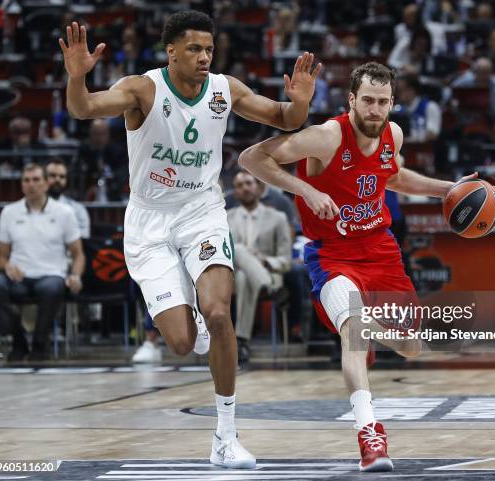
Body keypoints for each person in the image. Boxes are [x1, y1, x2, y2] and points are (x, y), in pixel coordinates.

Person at [59, 11, 320, 468]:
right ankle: (189, 316)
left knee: (220, 312)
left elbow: (283, 118)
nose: (204, 58)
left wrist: (299, 103)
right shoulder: (143, 88)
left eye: (210, 50)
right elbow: (83, 109)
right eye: (195, 49)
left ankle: (225, 436)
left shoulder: (224, 89)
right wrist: (77, 79)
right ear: (171, 51)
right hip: (150, 223)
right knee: (181, 343)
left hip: (202, 211)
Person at [239, 62, 495, 472]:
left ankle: (368, 337)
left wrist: (449, 188)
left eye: (383, 102)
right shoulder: (326, 137)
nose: (376, 110)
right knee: (353, 333)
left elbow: (391, 177)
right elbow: (252, 158)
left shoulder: (391, 135)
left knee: (412, 348)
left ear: (392, 103)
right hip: (332, 255)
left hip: (381, 252)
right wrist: (305, 189)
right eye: (368, 101)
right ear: (352, 101)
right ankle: (370, 435)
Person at [0, 163, 84, 361]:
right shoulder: (9, 212)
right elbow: (1, 257)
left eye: (36, 180)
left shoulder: (64, 212)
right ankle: (18, 339)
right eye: (26, 180)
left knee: (52, 288)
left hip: (51, 275)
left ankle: (40, 344)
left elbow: (78, 254)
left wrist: (75, 275)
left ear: (46, 184)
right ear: (21, 185)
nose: (31, 185)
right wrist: (7, 266)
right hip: (19, 277)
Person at [227, 171, 292, 362]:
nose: (245, 188)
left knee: (245, 276)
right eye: (239, 185)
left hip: (270, 271)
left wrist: (262, 262)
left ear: (259, 188)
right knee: (237, 250)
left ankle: (242, 341)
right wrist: (247, 258)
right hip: (233, 275)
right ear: (235, 193)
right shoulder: (225, 218)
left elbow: (285, 259)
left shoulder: (278, 217)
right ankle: (269, 287)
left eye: (249, 183)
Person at [46, 158, 91, 238]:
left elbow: (83, 238)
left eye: (62, 176)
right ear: (43, 178)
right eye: (53, 175)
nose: (57, 179)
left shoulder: (78, 209)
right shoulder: (31, 207)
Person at [393, 73, 442, 142]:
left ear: (411, 90)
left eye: (400, 90)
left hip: (423, 150)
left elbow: (432, 135)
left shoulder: (430, 107)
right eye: (397, 91)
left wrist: (411, 138)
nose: (398, 94)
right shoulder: (397, 109)